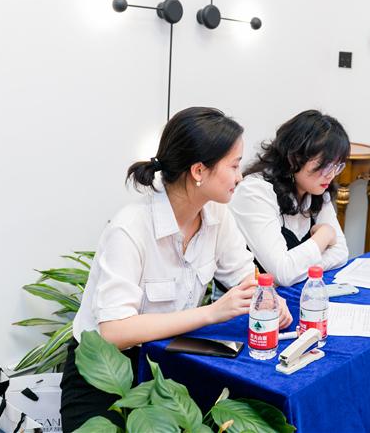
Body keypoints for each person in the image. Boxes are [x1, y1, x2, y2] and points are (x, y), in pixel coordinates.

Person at [60, 107, 292, 432]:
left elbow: (245, 276)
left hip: (169, 364)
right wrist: (212, 313)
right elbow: (114, 332)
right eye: (234, 166)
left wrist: (268, 299)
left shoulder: (217, 216)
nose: (240, 177)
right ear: (199, 171)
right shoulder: (130, 228)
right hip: (105, 372)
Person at [231, 110, 350, 287]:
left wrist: (299, 268)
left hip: (291, 294)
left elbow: (341, 253)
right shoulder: (255, 192)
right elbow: (283, 273)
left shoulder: (317, 189)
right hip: (249, 299)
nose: (331, 175)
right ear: (295, 158)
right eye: (325, 165)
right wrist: (325, 235)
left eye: (337, 166)